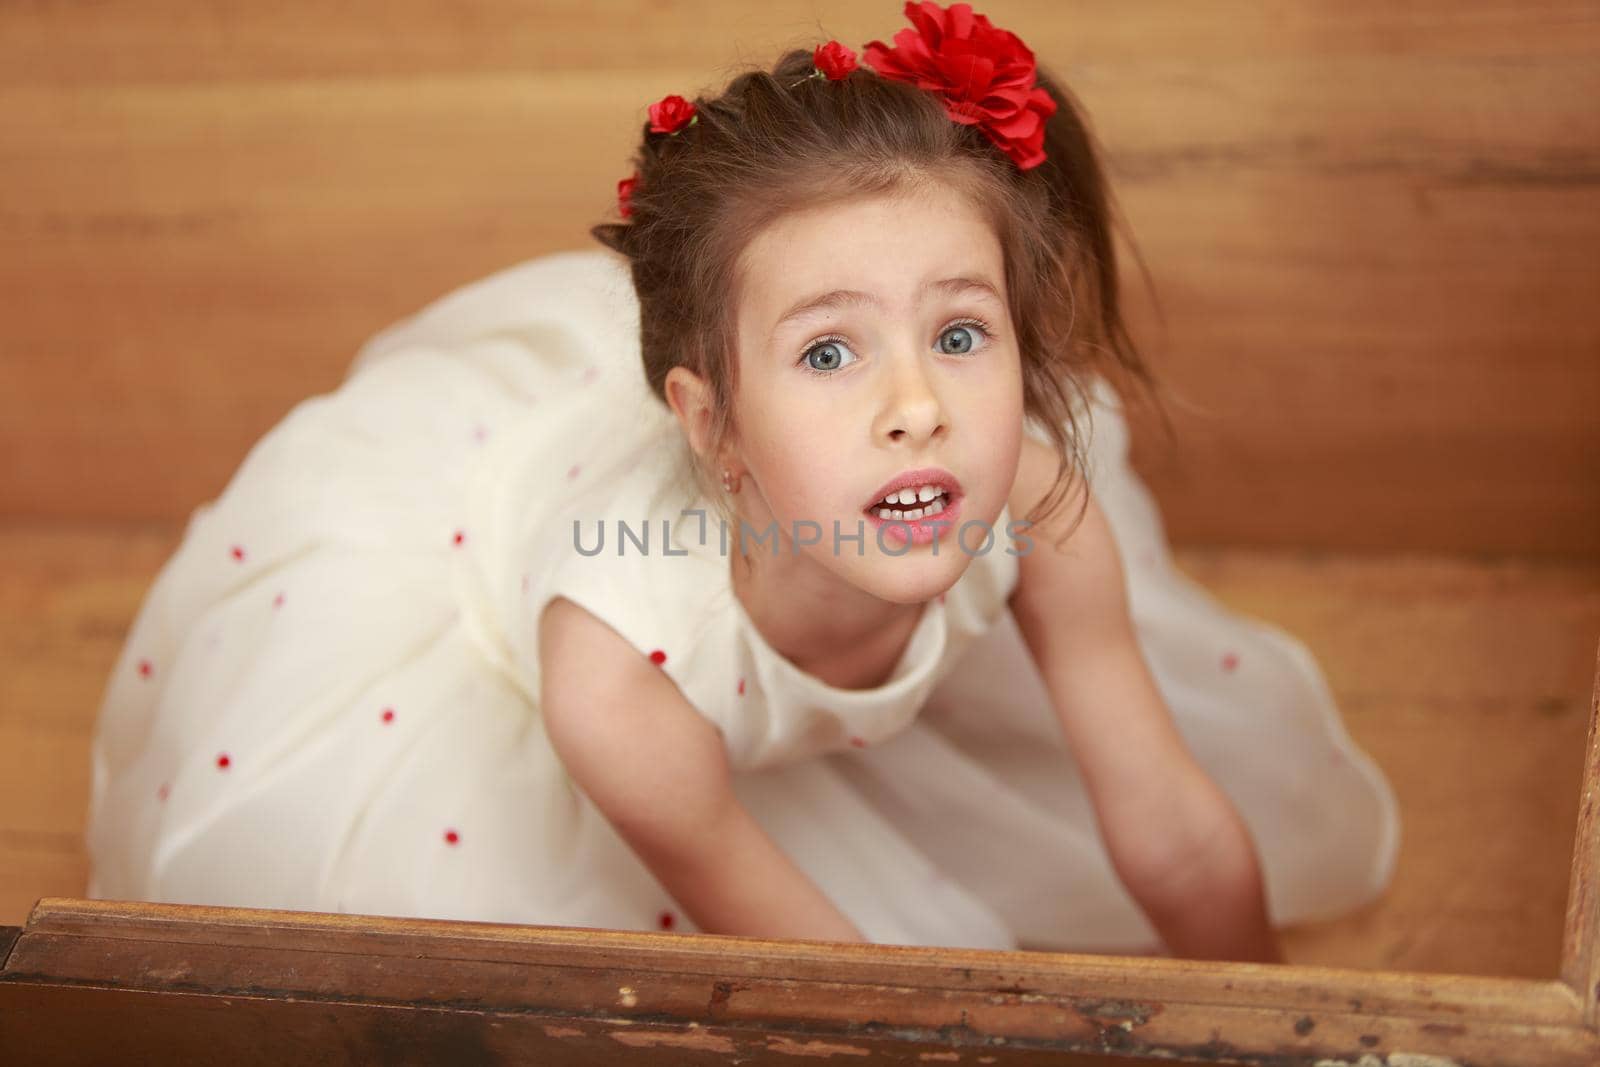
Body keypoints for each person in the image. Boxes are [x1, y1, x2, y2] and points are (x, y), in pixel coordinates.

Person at [85, 1, 1399, 962]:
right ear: (715, 431)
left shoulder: (1040, 507)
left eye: (959, 333)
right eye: (830, 352)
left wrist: (1270, 1025)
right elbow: (834, 988)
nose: (914, 408)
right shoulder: (618, 675)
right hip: (502, 593)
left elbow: (1165, 822)